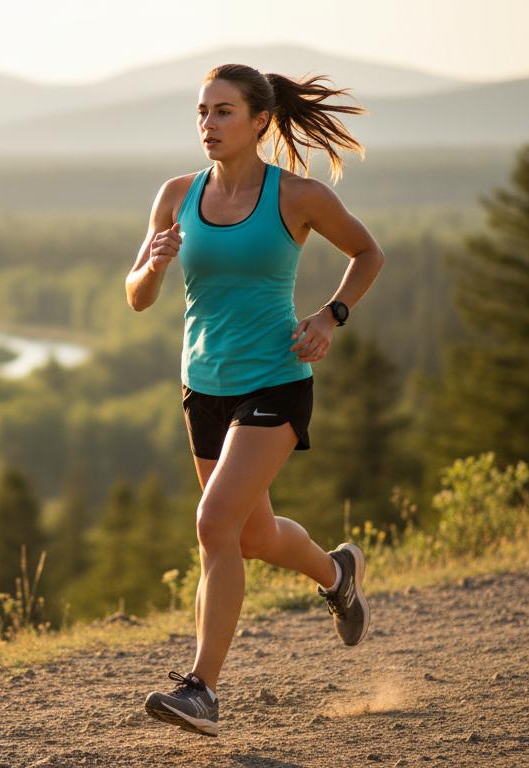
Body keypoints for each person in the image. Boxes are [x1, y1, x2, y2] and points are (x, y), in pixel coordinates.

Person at [124, 63, 385, 738]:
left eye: (223, 112)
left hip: (275, 379)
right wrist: (153, 263)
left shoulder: (296, 196)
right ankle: (337, 573)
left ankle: (202, 690)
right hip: (202, 387)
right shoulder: (177, 195)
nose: (208, 125)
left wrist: (330, 316)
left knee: (214, 524)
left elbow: (367, 253)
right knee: (251, 536)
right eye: (202, 112)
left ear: (260, 120)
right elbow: (137, 295)